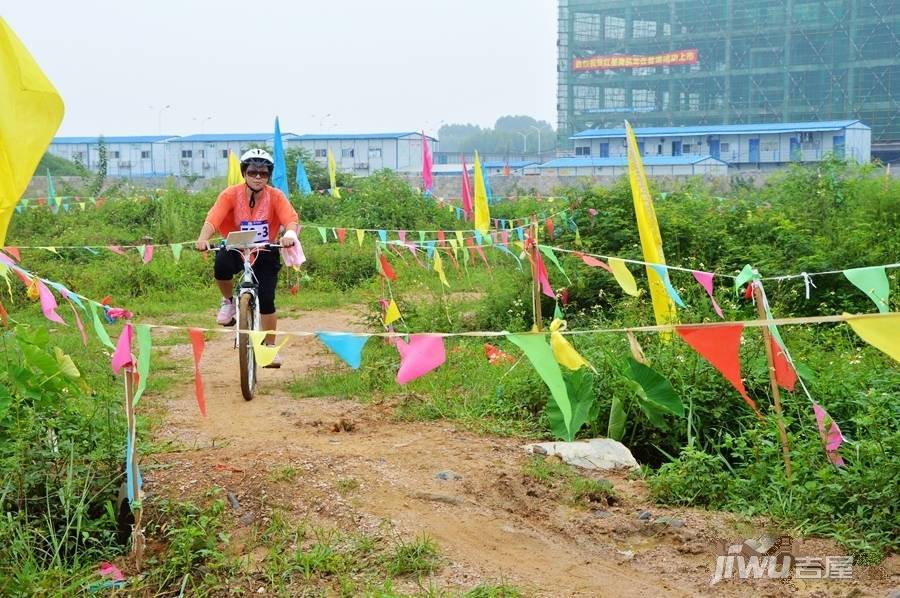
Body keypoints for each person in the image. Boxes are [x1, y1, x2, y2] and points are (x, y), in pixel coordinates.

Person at [195, 149, 299, 368]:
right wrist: (203, 238)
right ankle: (228, 302)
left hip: (265, 249)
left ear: (269, 175)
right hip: (235, 246)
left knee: (268, 299)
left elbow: (290, 219)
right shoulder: (230, 194)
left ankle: (269, 349)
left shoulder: (276, 196)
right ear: (244, 173)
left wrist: (289, 235)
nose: (258, 177)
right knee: (221, 264)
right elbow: (213, 218)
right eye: (252, 172)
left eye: (263, 173)